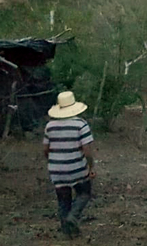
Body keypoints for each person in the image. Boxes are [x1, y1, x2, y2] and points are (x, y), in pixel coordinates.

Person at [43, 91, 95, 238]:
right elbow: (87, 150)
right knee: (84, 193)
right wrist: (90, 166)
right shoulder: (81, 124)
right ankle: (73, 216)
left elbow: (45, 149)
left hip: (56, 169)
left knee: (63, 199)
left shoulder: (49, 126)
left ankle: (67, 232)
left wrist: (52, 161)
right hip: (76, 168)